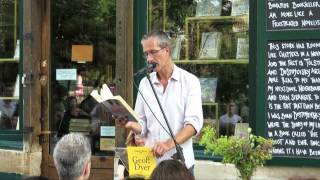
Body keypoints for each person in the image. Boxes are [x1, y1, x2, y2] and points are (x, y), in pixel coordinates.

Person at [116, 30, 203, 172]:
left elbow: (193, 125)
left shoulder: (190, 82)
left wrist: (168, 144)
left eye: (153, 52)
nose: (149, 58)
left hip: (179, 165)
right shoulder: (145, 83)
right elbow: (142, 123)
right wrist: (130, 124)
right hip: (152, 164)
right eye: (146, 54)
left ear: (167, 51)